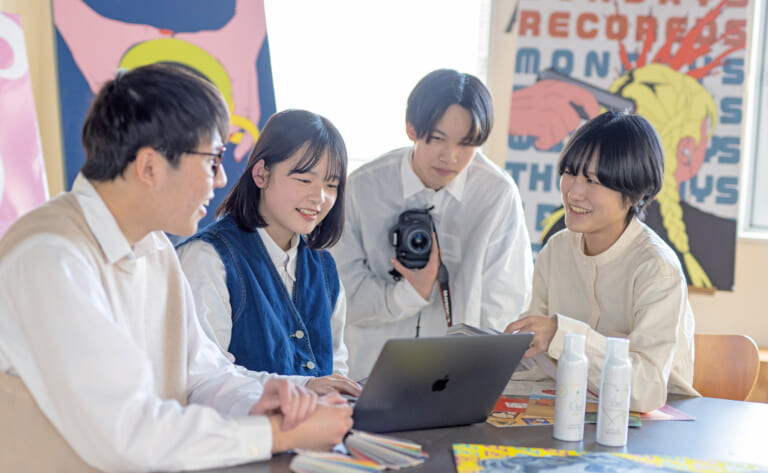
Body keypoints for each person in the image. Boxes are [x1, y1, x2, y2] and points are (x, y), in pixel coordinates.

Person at [0, 64, 352, 472]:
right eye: (212, 160)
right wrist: (278, 435)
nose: (221, 178)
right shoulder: (50, 258)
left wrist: (267, 396)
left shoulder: (155, 249)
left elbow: (202, 376)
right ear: (149, 166)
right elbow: (128, 434)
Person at [331, 69, 534, 380]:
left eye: (466, 144)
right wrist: (408, 293)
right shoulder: (363, 188)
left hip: (457, 377)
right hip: (367, 373)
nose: (450, 157)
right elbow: (339, 294)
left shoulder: (495, 195)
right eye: (437, 138)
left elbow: (504, 303)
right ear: (411, 129)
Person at [504, 111, 699, 413]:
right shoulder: (556, 250)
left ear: (638, 194)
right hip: (573, 410)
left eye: (593, 181)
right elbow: (536, 361)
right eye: (570, 172)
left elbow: (646, 390)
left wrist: (562, 335)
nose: (574, 192)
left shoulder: (657, 270)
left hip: (654, 425)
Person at [177, 109, 360, 396]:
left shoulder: (324, 267)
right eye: (304, 180)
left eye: (331, 184)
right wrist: (304, 388)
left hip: (315, 437)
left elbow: (336, 368)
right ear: (261, 173)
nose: (320, 197)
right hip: (241, 438)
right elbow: (203, 378)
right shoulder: (207, 258)